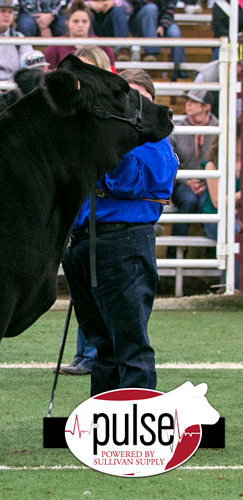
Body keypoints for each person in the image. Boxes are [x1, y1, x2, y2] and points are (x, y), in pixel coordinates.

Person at [62, 69, 178, 395]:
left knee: (129, 343)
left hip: (122, 240)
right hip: (83, 241)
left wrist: (104, 145)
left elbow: (130, 181)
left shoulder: (155, 142)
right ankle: (107, 421)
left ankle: (136, 425)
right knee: (102, 344)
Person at [57, 46, 113, 376]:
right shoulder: (70, 111)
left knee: (95, 284)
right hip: (76, 209)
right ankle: (84, 352)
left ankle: (93, 352)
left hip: (100, 210)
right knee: (81, 287)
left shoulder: (103, 112)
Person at [169, 89, 219, 242]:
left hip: (211, 183)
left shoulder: (219, 128)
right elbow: (171, 161)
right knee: (188, 200)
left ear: (207, 107)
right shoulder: (177, 128)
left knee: (207, 201)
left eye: (195, 102)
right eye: (187, 101)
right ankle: (176, 249)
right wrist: (186, 181)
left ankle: (213, 252)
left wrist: (208, 182)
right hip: (183, 182)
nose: (188, 105)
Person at [201, 135, 241, 290]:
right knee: (234, 232)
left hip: (236, 216)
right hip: (216, 218)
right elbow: (216, 201)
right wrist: (240, 196)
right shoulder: (212, 165)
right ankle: (229, 286)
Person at [44, 0, 116, 70]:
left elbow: (112, 73)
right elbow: (50, 75)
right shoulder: (55, 46)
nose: (80, 25)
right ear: (67, 22)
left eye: (84, 21)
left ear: (89, 23)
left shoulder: (102, 45)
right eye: (76, 21)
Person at [128, 0, 186, 78]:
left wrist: (162, 25)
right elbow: (133, 6)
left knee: (175, 34)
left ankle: (180, 73)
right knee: (151, 8)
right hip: (140, 20)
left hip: (162, 21)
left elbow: (170, 11)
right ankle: (151, 52)